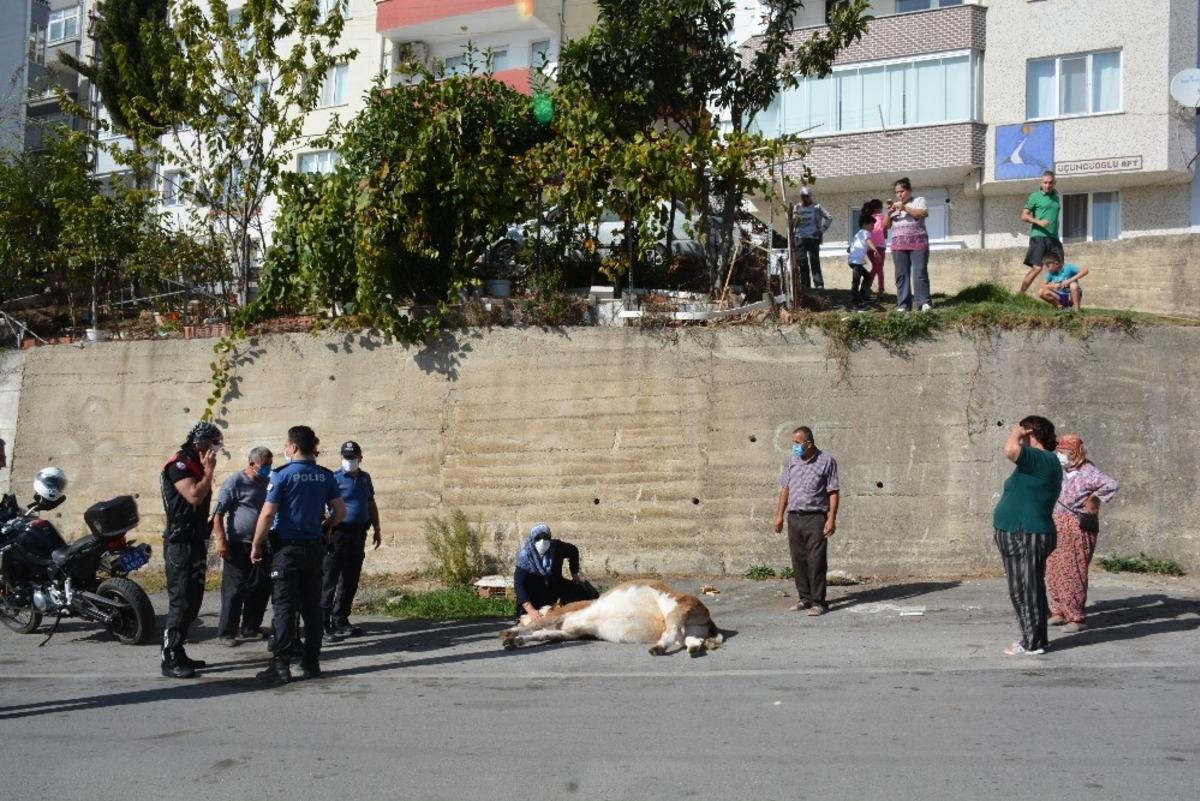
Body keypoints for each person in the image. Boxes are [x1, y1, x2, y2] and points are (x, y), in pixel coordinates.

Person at [251, 426, 346, 684]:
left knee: (284, 606)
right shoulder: (325, 476)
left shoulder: (281, 475)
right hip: (315, 549)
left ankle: (281, 666)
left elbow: (268, 513)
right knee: (312, 607)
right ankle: (311, 662)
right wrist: (327, 528)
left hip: (287, 550)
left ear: (292, 447)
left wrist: (256, 544)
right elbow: (340, 511)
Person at [993, 416, 1062, 656]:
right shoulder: (1042, 461)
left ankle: (1033, 643)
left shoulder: (1041, 458)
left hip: (1025, 533)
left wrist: (1015, 433)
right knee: (1029, 587)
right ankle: (1036, 638)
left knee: (1025, 589)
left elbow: (1011, 450)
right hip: (1024, 532)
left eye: (1023, 431)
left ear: (1030, 432)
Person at [159, 421, 223, 679]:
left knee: (194, 598)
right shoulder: (179, 465)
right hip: (180, 543)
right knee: (181, 599)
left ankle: (180, 648)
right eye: (213, 443)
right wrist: (208, 473)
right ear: (200, 443)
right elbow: (194, 496)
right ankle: (170, 656)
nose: (216, 450)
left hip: (196, 540)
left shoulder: (196, 463)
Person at [1046, 434, 1119, 632]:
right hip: (1055, 524)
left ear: (1075, 452)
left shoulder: (1088, 471)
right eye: (1058, 452)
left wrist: (1094, 499)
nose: (1060, 456)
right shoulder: (1059, 471)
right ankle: (1058, 611)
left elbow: (1111, 484)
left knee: (1073, 571)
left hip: (1076, 526)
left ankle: (1075, 617)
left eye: (1064, 452)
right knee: (1053, 569)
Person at [772, 426, 840, 616]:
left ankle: (818, 602)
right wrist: (779, 515)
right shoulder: (792, 461)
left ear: (808, 443)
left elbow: (833, 491)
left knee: (816, 560)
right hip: (794, 517)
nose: (794, 446)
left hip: (816, 517)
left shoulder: (827, 461)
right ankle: (804, 598)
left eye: (797, 442)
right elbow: (785, 489)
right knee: (798, 560)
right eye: (793, 442)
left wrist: (831, 518)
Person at [212, 446, 274, 646]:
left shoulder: (267, 482)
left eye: (270, 464)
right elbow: (218, 513)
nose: (268, 468)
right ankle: (226, 633)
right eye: (264, 465)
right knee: (234, 589)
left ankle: (250, 628)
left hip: (262, 543)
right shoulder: (235, 482)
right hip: (239, 544)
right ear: (251, 463)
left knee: (260, 587)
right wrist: (220, 540)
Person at [322, 440, 381, 641]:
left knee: (350, 578)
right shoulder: (333, 478)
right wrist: (326, 528)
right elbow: (322, 505)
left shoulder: (365, 478)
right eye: (346, 457)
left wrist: (377, 528)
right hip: (338, 533)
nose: (349, 461)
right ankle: (323, 622)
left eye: (353, 457)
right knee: (330, 578)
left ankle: (341, 618)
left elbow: (370, 503)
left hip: (358, 534)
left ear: (360, 458)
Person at [514, 523, 598, 622]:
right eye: (538, 538)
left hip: (554, 586)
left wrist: (574, 573)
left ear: (550, 537)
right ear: (533, 539)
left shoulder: (557, 548)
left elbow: (573, 551)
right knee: (527, 614)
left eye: (545, 537)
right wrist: (530, 609)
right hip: (535, 593)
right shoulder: (525, 555)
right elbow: (519, 584)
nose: (542, 541)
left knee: (581, 592)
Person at [883, 177, 932, 312]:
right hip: (898, 245)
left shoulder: (919, 200)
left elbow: (922, 213)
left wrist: (904, 207)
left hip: (918, 243)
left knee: (919, 272)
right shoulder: (894, 206)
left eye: (902, 191)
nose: (899, 194)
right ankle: (903, 304)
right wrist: (889, 214)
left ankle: (923, 303)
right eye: (897, 192)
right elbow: (885, 227)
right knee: (901, 274)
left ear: (909, 190)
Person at [1018, 171, 1064, 294]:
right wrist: (1038, 222)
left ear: (1054, 183)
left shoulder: (1056, 197)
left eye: (1050, 183)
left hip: (1053, 238)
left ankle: (1059, 300)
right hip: (1039, 237)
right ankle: (1020, 295)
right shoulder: (1035, 196)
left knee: (1059, 268)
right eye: (1045, 182)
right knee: (1037, 268)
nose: (1047, 185)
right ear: (1041, 182)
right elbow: (1024, 216)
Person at [792, 186, 833, 291]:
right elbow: (792, 222)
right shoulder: (797, 208)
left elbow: (829, 217)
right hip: (799, 237)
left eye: (807, 196)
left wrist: (821, 231)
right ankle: (805, 285)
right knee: (802, 262)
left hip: (813, 238)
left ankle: (819, 284)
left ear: (810, 196)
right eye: (802, 196)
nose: (805, 198)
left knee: (814, 261)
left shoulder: (817, 207)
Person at [847, 212, 877, 311]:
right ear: (865, 224)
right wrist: (875, 250)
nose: (873, 228)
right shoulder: (864, 232)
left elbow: (849, 248)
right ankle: (855, 304)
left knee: (868, 277)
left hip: (854, 261)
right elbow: (868, 241)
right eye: (872, 225)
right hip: (856, 262)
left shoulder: (857, 234)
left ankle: (862, 298)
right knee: (856, 281)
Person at [863, 199, 887, 296]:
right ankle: (877, 288)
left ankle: (867, 287)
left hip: (869, 246)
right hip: (880, 246)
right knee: (879, 267)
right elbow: (885, 231)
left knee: (876, 267)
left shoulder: (868, 219)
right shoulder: (882, 217)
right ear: (879, 208)